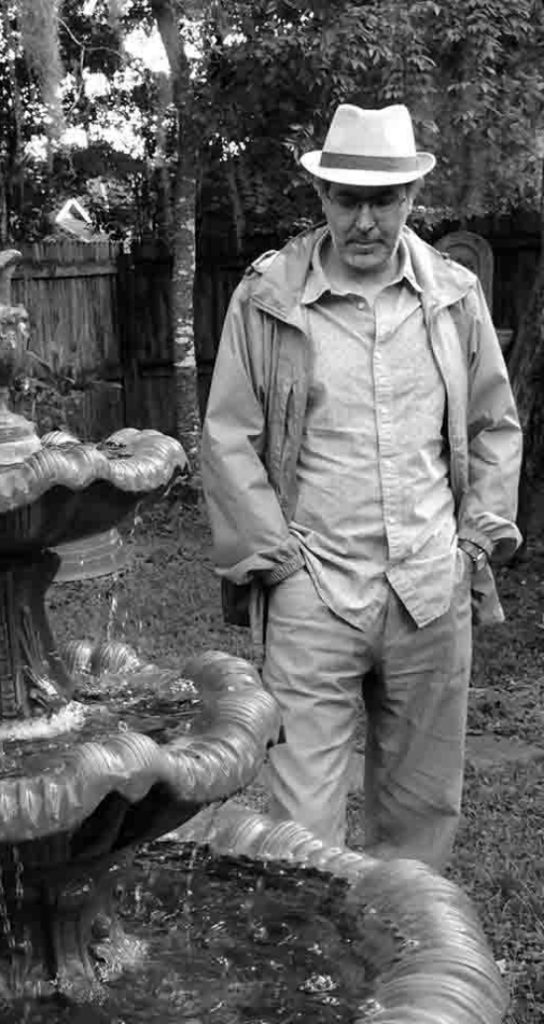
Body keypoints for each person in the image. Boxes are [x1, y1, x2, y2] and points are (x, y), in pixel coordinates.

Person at [200, 103, 522, 871]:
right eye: (348, 200)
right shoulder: (268, 297)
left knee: (420, 813)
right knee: (301, 827)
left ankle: (399, 938)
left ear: (412, 197)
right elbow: (227, 437)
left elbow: (495, 425)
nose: (366, 221)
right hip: (313, 591)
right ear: (322, 197)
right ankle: (316, 946)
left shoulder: (453, 296)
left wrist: (474, 544)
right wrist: (277, 562)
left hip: (430, 588)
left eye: (385, 201)